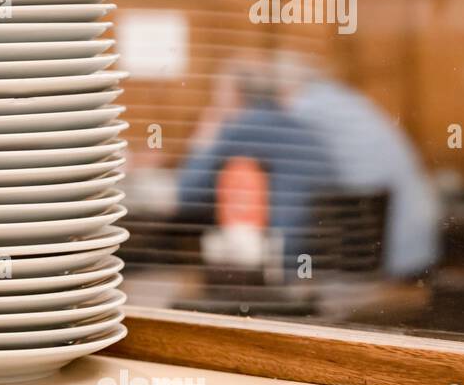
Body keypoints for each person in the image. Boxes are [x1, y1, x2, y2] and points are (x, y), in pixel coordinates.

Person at [274, 54, 440, 278]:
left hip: (385, 254)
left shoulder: (305, 109)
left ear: (284, 89)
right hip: (414, 243)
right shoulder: (343, 100)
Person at [176, 60, 338, 270]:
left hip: (283, 256)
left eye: (218, 92)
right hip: (319, 251)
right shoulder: (298, 126)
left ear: (236, 94)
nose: (214, 101)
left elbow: (186, 192)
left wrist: (204, 138)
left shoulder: (245, 126)